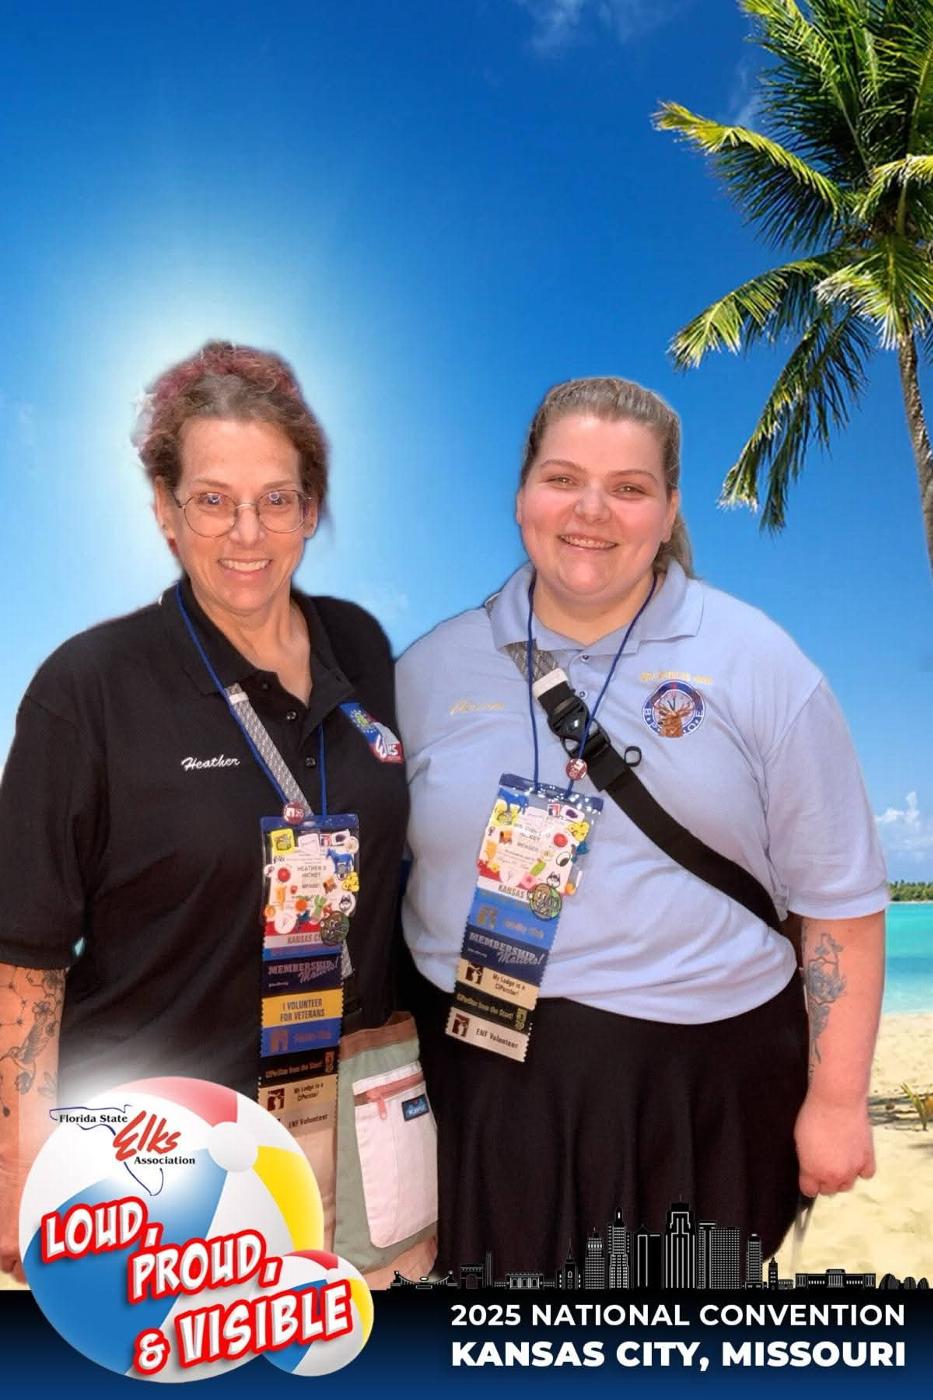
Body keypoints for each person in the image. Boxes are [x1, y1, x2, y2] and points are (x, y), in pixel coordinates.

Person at [397, 376, 887, 1280]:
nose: (590, 511)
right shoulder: (427, 669)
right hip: (478, 1079)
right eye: (562, 479)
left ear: (667, 512)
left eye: (627, 488)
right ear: (521, 496)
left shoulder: (756, 660)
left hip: (698, 1091)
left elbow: (840, 900)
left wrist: (836, 1100)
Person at [0, 341, 415, 1283]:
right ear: (164, 508)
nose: (247, 534)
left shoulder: (360, 645)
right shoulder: (88, 688)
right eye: (213, 500)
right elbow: (24, 957)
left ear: (311, 507)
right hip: (149, 1159)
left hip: (339, 1145)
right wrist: (20, 1172)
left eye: (277, 499)